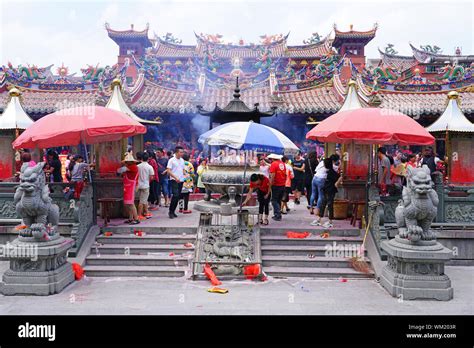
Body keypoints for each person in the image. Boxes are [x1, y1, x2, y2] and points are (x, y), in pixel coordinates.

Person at [317, 157, 342, 228]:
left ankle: (330, 221)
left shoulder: (331, 172)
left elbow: (340, 177)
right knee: (324, 203)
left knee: (330, 204)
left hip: (331, 190)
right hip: (326, 189)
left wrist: (337, 183)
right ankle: (319, 219)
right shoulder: (327, 171)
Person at [117, 152, 140, 225]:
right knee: (129, 203)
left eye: (127, 162)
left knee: (131, 204)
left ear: (131, 162)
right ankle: (130, 218)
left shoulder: (132, 166)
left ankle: (136, 219)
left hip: (131, 186)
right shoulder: (129, 168)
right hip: (128, 187)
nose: (126, 163)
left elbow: (120, 170)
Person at [166, 146, 185, 219]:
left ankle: (173, 211)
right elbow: (168, 170)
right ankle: (170, 211)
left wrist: (185, 174)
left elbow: (182, 169)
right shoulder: (171, 160)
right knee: (175, 195)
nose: (182, 153)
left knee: (178, 196)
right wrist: (175, 177)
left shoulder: (182, 160)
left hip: (181, 180)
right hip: (174, 180)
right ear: (176, 152)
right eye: (180, 152)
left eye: (182, 152)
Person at [310, 155, 329, 224]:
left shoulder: (321, 163)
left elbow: (316, 169)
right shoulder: (329, 167)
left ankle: (311, 207)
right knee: (321, 195)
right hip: (321, 179)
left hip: (315, 177)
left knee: (313, 193)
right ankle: (317, 209)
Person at [268, 154, 287, 221]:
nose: (270, 160)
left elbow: (273, 175)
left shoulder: (274, 164)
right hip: (282, 184)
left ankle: (278, 215)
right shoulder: (282, 163)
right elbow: (285, 174)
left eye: (270, 159)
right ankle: (277, 214)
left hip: (276, 185)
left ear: (273, 159)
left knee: (274, 200)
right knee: (278, 200)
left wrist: (270, 184)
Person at [136, 152, 155, 220]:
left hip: (138, 185)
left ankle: (146, 212)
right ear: (148, 159)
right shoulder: (149, 167)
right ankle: (139, 215)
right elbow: (152, 177)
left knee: (144, 200)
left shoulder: (137, 166)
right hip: (145, 185)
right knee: (142, 201)